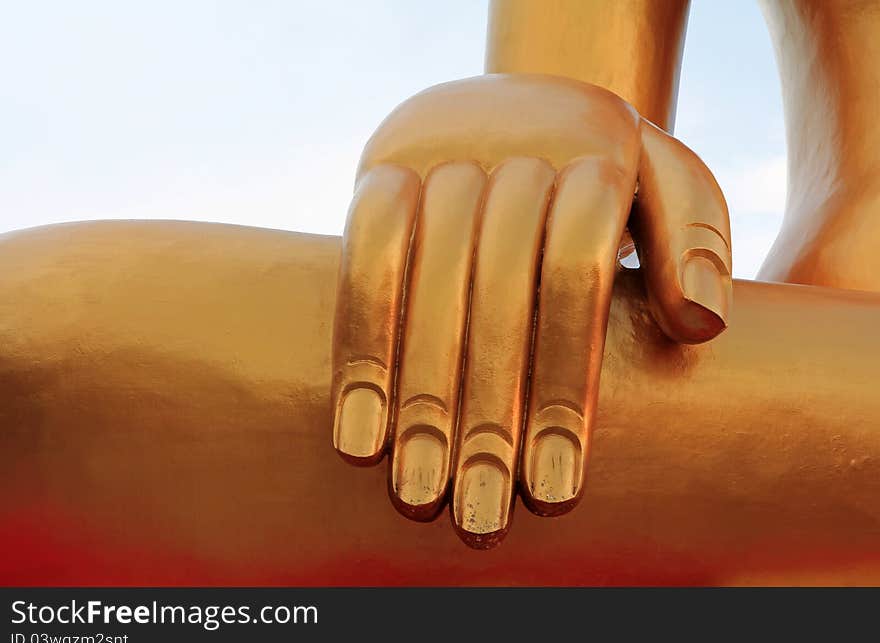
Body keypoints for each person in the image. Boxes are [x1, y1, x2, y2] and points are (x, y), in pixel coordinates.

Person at [2, 1, 879, 584]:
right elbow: (575, 96)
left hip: (832, 416)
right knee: (32, 334)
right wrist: (534, 122)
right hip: (823, 378)